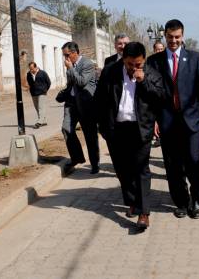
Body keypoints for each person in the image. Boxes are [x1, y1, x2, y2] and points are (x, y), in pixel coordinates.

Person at [95, 42, 164, 230]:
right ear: (123, 59)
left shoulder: (151, 73)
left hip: (140, 129)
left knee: (141, 169)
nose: (134, 68)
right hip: (115, 129)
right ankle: (132, 201)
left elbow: (159, 98)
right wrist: (101, 126)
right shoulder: (110, 72)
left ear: (143, 60)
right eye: (130, 64)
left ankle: (144, 212)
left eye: (138, 64)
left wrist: (144, 81)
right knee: (123, 170)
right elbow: (99, 99)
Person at [147, 19, 199, 220]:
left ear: (182, 36)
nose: (173, 41)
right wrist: (154, 120)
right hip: (167, 121)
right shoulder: (154, 61)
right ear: (164, 35)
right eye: (170, 37)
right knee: (173, 164)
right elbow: (151, 95)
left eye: (177, 37)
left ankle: (197, 199)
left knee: (193, 161)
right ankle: (181, 202)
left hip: (191, 120)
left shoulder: (194, 58)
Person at [61, 42, 100, 174]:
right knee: (66, 128)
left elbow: (82, 82)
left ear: (74, 53)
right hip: (71, 103)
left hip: (86, 104)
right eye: (64, 56)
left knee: (90, 135)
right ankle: (76, 158)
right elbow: (71, 82)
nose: (65, 58)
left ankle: (95, 163)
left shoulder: (87, 64)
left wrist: (71, 68)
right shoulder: (70, 64)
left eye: (66, 55)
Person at [26, 62, 51, 129]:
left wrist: (45, 90)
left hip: (42, 93)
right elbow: (29, 83)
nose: (31, 70)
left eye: (32, 68)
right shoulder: (29, 74)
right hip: (34, 93)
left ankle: (39, 122)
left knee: (41, 107)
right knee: (37, 107)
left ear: (36, 67)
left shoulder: (42, 73)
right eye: (30, 69)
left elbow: (48, 82)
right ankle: (43, 120)